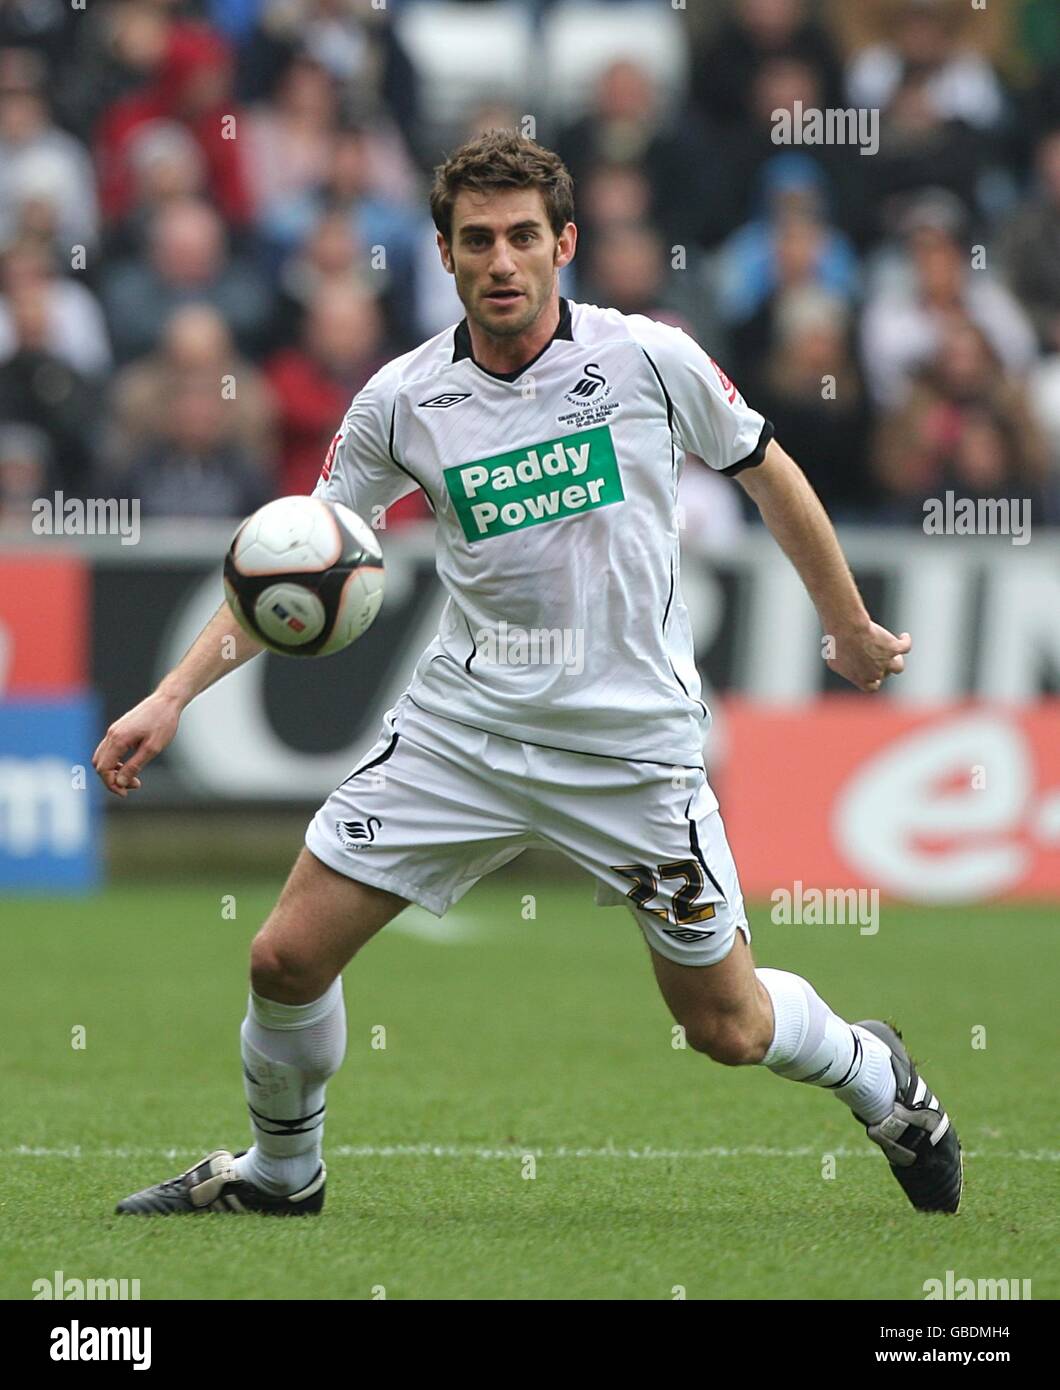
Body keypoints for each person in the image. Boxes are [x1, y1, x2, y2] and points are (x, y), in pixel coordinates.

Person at [94, 132, 962, 1218]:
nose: (500, 261)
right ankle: (281, 1174)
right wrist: (170, 695)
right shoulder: (402, 402)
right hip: (465, 732)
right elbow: (296, 572)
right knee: (282, 957)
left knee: (727, 1027)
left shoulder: (650, 359)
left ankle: (880, 1076)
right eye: (475, 241)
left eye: (519, 237)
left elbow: (763, 467)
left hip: (631, 749)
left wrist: (846, 623)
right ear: (446, 256)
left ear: (563, 244)